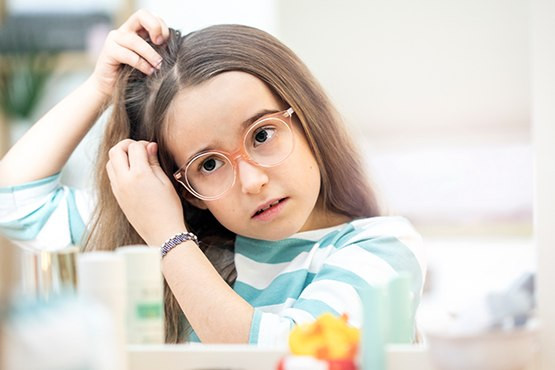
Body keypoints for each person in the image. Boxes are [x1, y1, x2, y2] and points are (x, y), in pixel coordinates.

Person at [0, 10, 426, 345]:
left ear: (307, 121)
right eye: (208, 164)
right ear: (186, 190)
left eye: (262, 134)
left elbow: (289, 354)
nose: (252, 181)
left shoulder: (382, 248)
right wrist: (98, 87)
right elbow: (13, 202)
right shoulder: (187, 241)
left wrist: (168, 238)